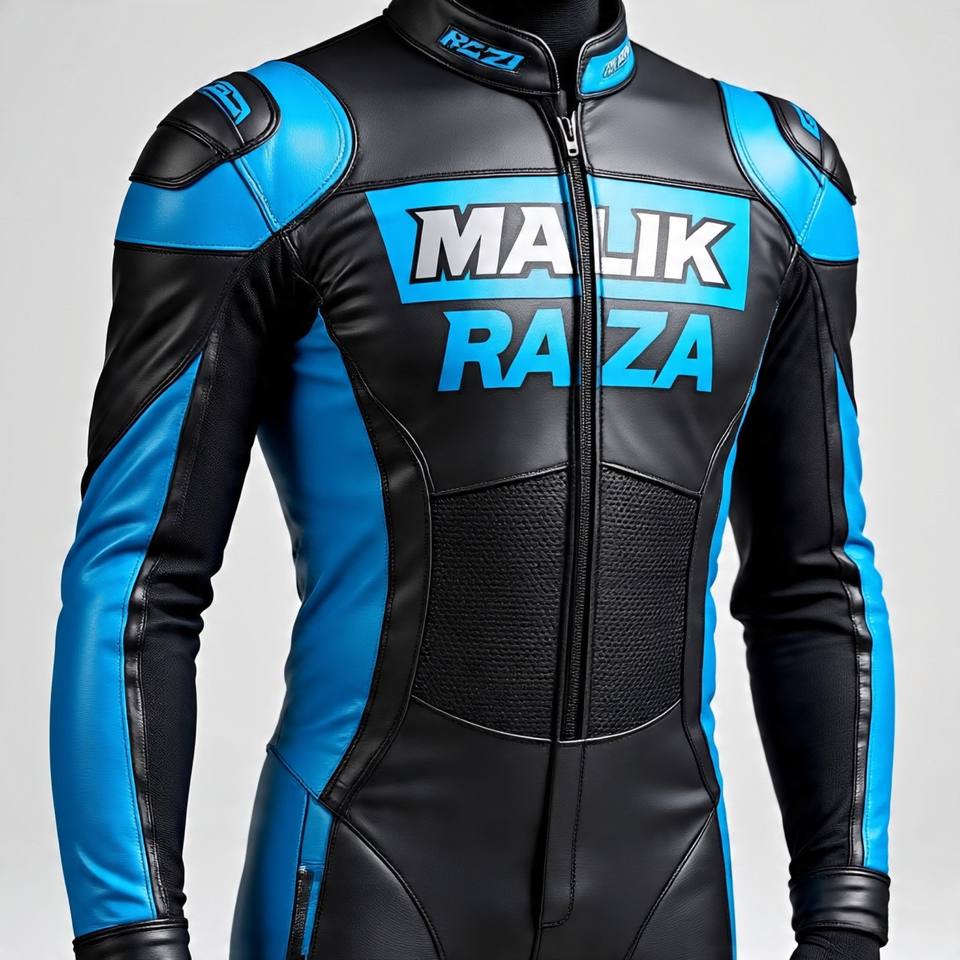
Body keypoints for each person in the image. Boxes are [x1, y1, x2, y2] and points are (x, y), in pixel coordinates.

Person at [50, 1, 894, 958]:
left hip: (667, 892)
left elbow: (816, 575)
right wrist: (132, 937)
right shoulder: (262, 158)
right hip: (367, 885)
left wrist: (846, 915)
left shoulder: (778, 175)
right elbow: (139, 576)